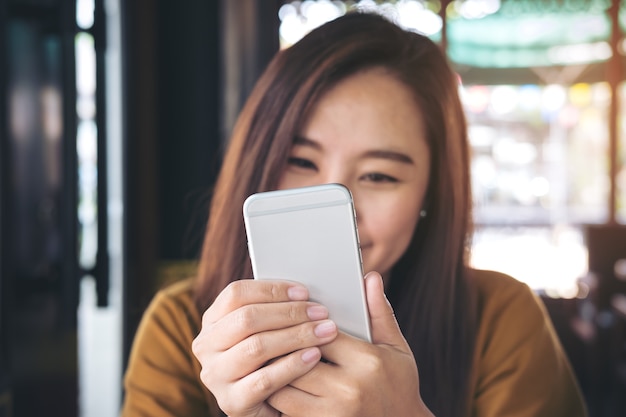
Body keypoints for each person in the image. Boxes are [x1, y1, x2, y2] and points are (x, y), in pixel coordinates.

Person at [120, 11, 587, 417]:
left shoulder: (498, 319)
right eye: (301, 162)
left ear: (431, 195)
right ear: (257, 168)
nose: (337, 206)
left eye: (380, 176)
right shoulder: (181, 326)